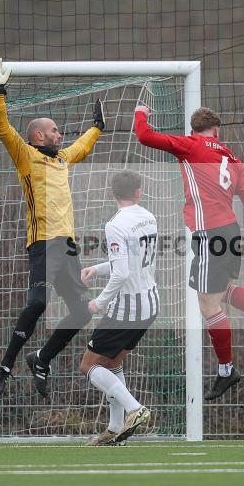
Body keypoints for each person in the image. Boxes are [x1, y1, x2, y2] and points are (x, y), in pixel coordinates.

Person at [0, 56, 106, 398]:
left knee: (82, 311)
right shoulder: (26, 155)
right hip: (42, 243)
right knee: (37, 303)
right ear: (39, 135)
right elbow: (3, 127)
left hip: (66, 246)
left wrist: (97, 127)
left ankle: (41, 359)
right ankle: (4, 368)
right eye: (54, 130)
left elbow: (80, 147)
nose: (59, 134)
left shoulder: (63, 159)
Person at [134, 104, 244, 400]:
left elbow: (144, 136)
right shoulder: (232, 159)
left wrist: (140, 112)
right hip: (231, 232)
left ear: (193, 130)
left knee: (208, 305)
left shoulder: (189, 144)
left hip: (211, 234)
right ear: (217, 131)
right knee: (221, 292)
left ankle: (226, 369)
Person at [79, 170, 157, 445]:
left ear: (113, 193)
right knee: (112, 363)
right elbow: (130, 262)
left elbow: (122, 273)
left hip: (128, 308)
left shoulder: (115, 224)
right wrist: (98, 269)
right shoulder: (148, 217)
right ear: (138, 192)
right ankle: (115, 429)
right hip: (150, 303)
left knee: (88, 365)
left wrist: (99, 302)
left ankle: (135, 410)